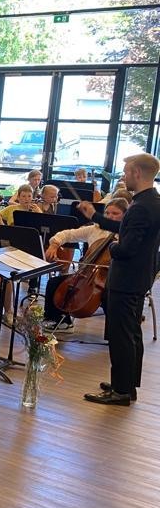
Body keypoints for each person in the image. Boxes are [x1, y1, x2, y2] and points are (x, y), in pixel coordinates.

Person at [77, 153, 160, 405]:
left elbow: (126, 249)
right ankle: (127, 384)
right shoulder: (152, 201)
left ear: (137, 173)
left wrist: (111, 247)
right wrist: (95, 217)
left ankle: (121, 391)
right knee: (132, 332)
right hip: (140, 277)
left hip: (126, 279)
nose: (124, 176)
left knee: (121, 335)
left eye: (126, 172)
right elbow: (126, 228)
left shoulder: (141, 207)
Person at [44, 198, 128, 329]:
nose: (110, 216)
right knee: (55, 283)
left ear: (125, 215)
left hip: (113, 279)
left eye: (115, 213)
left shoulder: (127, 234)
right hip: (88, 275)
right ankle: (60, 322)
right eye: (107, 213)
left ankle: (115, 331)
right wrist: (54, 244)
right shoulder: (96, 229)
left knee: (111, 296)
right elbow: (67, 234)